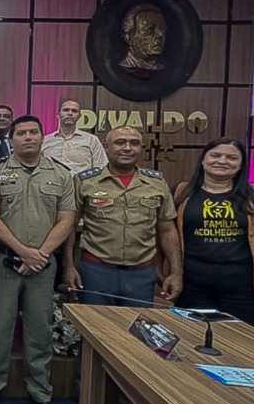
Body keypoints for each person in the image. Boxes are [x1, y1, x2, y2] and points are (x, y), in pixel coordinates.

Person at [0, 115, 76, 404]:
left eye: (34, 132)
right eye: (22, 133)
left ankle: (41, 394)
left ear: (42, 136)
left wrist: (41, 254)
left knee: (40, 332)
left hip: (43, 266)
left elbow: (67, 219)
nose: (28, 137)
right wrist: (24, 252)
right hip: (4, 262)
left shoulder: (61, 174)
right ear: (13, 139)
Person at [173, 137, 254, 330]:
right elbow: (165, 235)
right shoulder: (180, 193)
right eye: (215, 155)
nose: (222, 161)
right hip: (192, 286)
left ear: (241, 164)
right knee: (192, 336)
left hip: (244, 288)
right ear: (203, 159)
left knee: (242, 341)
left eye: (231, 157)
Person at [63, 126, 182, 307]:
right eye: (120, 143)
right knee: (95, 328)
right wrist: (69, 266)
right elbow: (69, 226)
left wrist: (176, 271)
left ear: (141, 148)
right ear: (106, 146)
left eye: (134, 143)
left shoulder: (156, 183)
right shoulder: (85, 181)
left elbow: (167, 229)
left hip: (141, 273)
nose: (127, 148)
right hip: (96, 271)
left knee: (136, 331)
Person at [41, 99, 107, 174]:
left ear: (79, 116)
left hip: (81, 184)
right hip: (51, 183)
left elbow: (100, 167)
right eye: (66, 110)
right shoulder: (45, 140)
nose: (70, 113)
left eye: (74, 111)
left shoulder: (91, 140)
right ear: (58, 114)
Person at [119, 4, 167, 78]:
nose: (160, 34)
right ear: (129, 37)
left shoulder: (163, 69)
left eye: (163, 29)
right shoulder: (126, 67)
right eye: (150, 29)